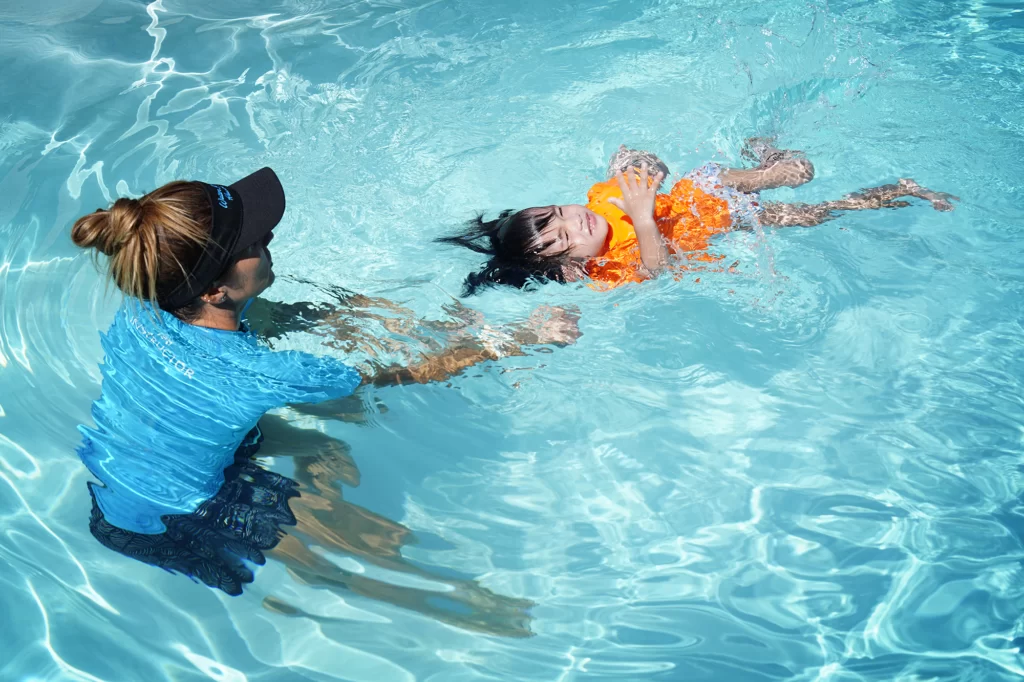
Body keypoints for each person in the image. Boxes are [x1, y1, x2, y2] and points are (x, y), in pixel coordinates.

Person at [72, 168, 576, 595]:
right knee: (377, 543)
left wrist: (362, 312)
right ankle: (467, 607)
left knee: (313, 441)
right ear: (215, 289)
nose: (267, 238)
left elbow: (277, 316)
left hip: (116, 483)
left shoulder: (148, 302)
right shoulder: (268, 373)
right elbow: (406, 372)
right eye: (252, 240)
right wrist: (519, 338)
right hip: (178, 521)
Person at [439, 141, 960, 293]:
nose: (577, 223)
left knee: (798, 171)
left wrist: (641, 169)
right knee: (816, 215)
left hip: (708, 190)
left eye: (561, 214)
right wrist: (643, 220)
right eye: (562, 239)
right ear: (571, 266)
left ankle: (768, 163)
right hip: (725, 225)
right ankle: (903, 192)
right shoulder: (605, 274)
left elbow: (644, 163)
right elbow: (655, 269)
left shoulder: (602, 199)